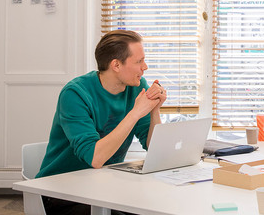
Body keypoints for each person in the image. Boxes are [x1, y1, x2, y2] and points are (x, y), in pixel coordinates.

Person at [36, 29, 167, 215]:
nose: (144, 67)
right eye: (139, 61)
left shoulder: (137, 87)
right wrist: (136, 112)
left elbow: (153, 148)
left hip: (106, 184)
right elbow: (96, 159)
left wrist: (154, 111)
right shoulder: (75, 94)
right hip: (60, 190)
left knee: (155, 207)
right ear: (116, 65)